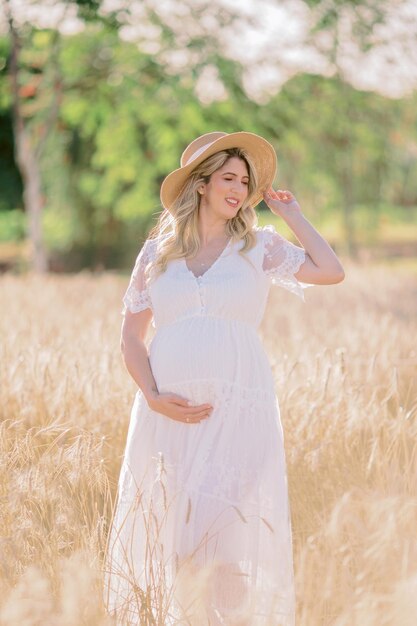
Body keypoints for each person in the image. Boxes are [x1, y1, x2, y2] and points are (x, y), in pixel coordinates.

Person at [103, 131, 345, 626]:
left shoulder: (258, 247)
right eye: (228, 178)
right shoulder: (157, 255)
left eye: (246, 181)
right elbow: (130, 335)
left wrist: (293, 215)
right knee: (178, 544)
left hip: (239, 411)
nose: (239, 189)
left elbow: (330, 270)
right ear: (200, 185)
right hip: (167, 414)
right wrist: (152, 396)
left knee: (226, 544)